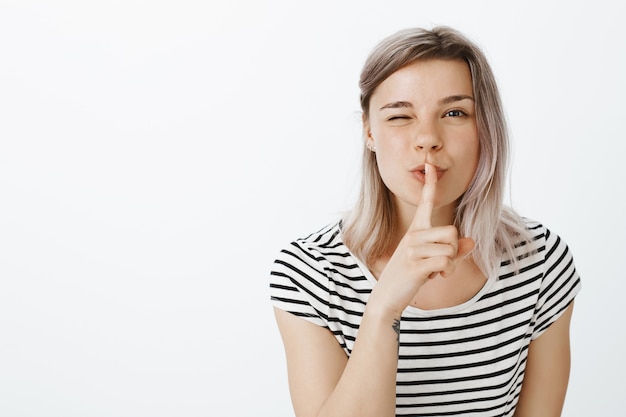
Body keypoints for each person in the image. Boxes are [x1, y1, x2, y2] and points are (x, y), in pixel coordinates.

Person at [269, 26, 581, 417]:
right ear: (369, 131)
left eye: (454, 113)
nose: (428, 139)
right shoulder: (309, 273)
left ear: (485, 126)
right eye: (400, 116)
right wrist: (384, 305)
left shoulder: (540, 260)